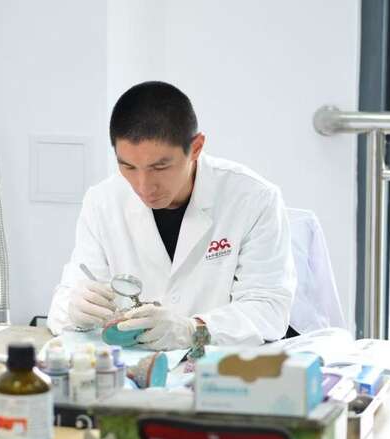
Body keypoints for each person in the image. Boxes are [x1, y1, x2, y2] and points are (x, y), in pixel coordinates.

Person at [46, 81, 296, 350]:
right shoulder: (102, 202)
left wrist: (193, 331)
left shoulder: (253, 199)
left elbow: (268, 310)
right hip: (133, 364)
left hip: (218, 363)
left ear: (196, 147)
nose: (143, 186)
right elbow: (64, 303)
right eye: (128, 166)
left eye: (160, 167)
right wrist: (74, 309)